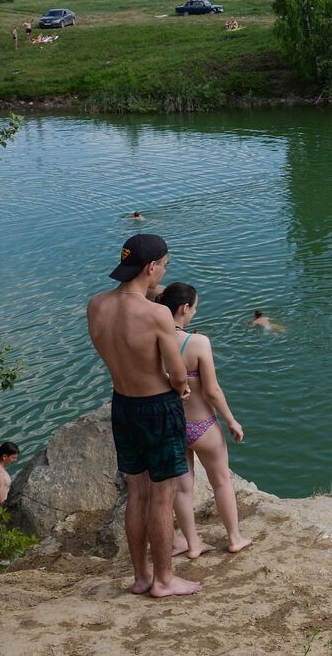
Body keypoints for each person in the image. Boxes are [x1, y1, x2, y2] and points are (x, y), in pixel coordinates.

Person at [86, 233, 201, 598]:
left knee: (137, 494)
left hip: (123, 403)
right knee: (162, 496)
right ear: (151, 267)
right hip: (158, 407)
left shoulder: (96, 305)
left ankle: (141, 576)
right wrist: (179, 386)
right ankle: (165, 580)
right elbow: (178, 372)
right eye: (164, 266)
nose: (164, 272)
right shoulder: (156, 314)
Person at [157, 283, 250, 557]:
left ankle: (193, 545)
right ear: (185, 308)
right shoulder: (197, 343)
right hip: (203, 426)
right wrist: (232, 421)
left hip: (174, 426)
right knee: (221, 480)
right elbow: (212, 391)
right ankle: (234, 538)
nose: (195, 311)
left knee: (183, 489)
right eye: (195, 307)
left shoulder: (154, 341)